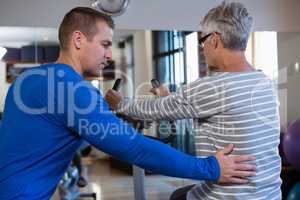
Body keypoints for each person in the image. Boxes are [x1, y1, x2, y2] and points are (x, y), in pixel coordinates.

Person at [0, 7, 256, 200]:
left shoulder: (27, 79)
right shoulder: (73, 89)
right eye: (104, 44)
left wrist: (113, 115)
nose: (110, 55)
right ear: (78, 40)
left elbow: (59, 131)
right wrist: (210, 167)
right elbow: (136, 149)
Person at [105, 2, 281, 200]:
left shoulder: (214, 86)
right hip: (269, 194)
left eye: (202, 41)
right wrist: (169, 99)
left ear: (214, 40)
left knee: (177, 197)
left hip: (229, 196)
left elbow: (154, 110)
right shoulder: (263, 81)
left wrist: (120, 103)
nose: (203, 48)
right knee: (179, 194)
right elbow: (218, 117)